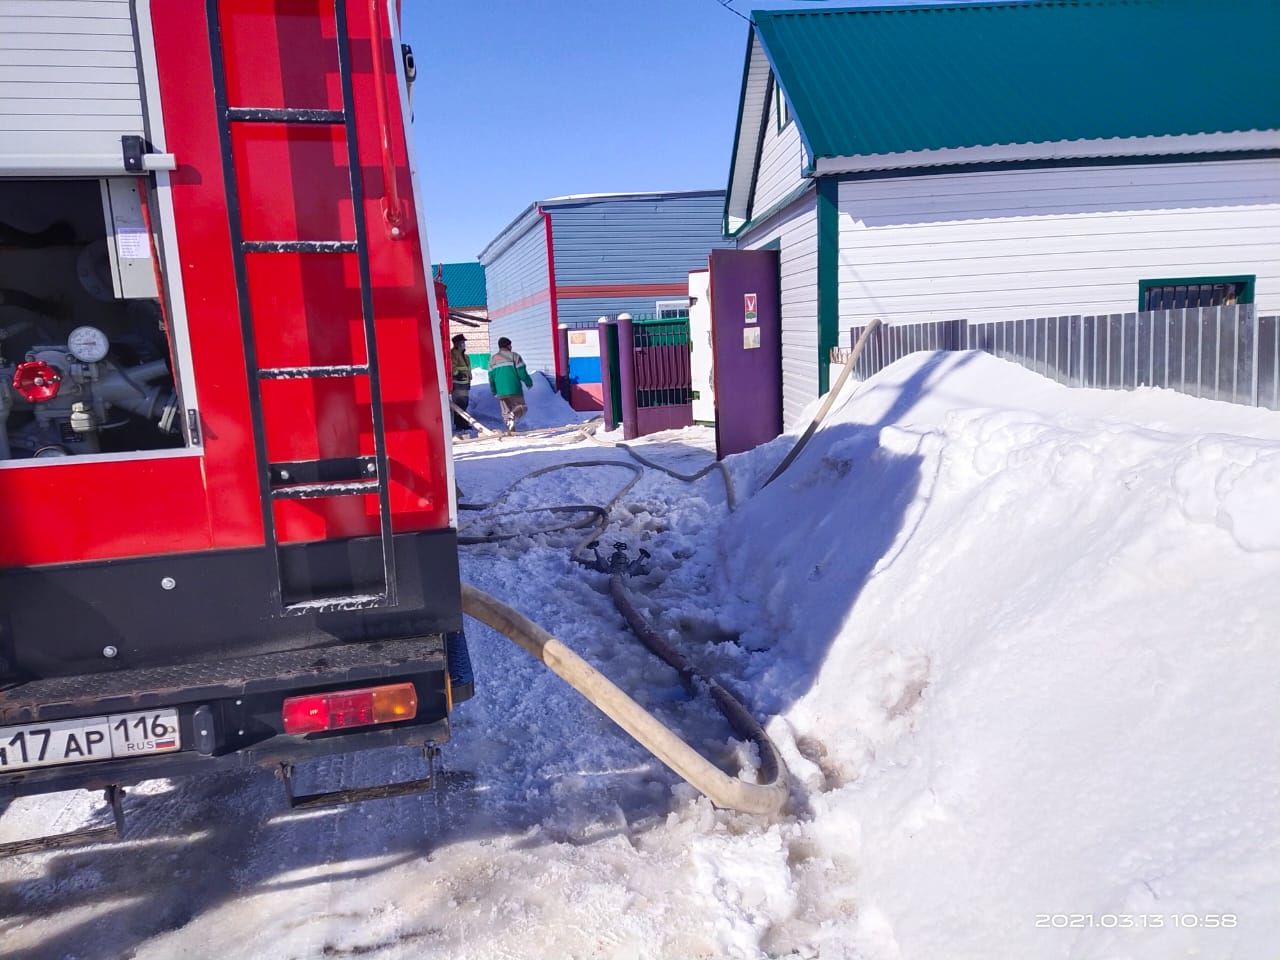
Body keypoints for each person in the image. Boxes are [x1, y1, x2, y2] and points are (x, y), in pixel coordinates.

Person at [487, 336, 533, 433]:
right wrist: (528, 382)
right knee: (522, 407)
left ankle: (511, 432)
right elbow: (522, 372)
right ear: (508, 346)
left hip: (501, 391)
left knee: (506, 413)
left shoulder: (493, 359)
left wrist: (493, 390)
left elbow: (491, 377)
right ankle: (514, 414)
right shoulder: (515, 356)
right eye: (510, 345)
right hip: (514, 388)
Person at [449, 333, 472, 432]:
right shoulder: (453, 353)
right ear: (457, 343)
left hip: (465, 383)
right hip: (458, 383)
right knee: (459, 404)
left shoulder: (465, 356)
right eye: (462, 342)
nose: (464, 344)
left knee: (464, 403)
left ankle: (463, 422)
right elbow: (451, 366)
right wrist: (457, 373)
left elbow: (467, 369)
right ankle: (460, 424)